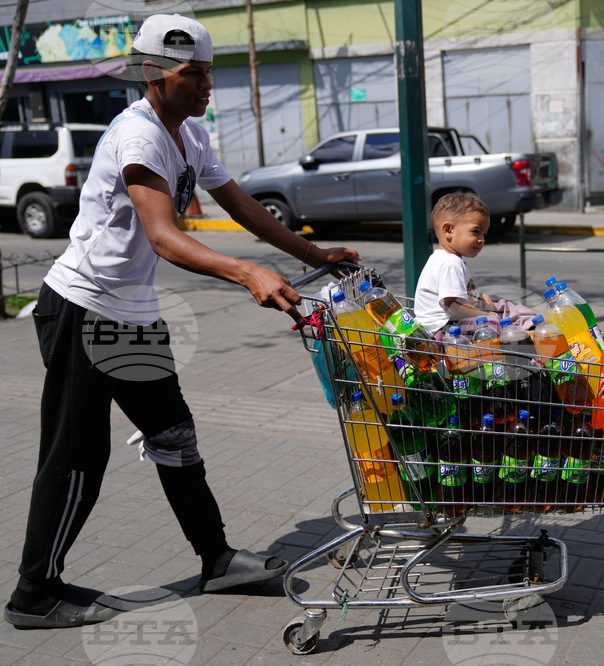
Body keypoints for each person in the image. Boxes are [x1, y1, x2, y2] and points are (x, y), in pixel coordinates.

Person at [4, 14, 361, 629]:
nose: (205, 87)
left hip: (130, 315)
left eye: (207, 74)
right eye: (192, 75)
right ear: (154, 76)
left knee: (175, 437)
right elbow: (165, 237)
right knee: (77, 454)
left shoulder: (187, 134)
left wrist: (311, 254)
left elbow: (240, 202)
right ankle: (35, 592)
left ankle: (216, 559)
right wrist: (248, 274)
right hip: (82, 308)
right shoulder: (138, 137)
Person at [414, 192, 535, 339]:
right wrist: (484, 315)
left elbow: (460, 297)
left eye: (484, 234)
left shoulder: (445, 259)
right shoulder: (450, 263)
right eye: (476, 231)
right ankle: (525, 337)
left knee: (500, 303)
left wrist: (478, 298)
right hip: (443, 331)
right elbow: (453, 305)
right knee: (490, 322)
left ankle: (532, 327)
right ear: (448, 230)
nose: (481, 239)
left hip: (451, 325)